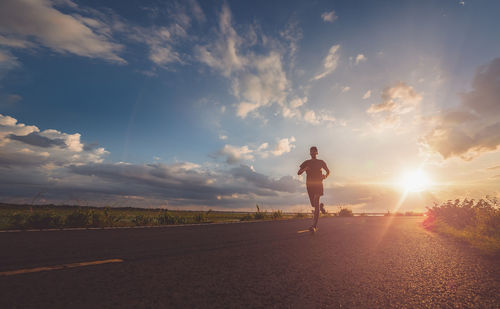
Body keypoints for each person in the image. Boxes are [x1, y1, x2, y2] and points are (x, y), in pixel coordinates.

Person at [297, 146, 330, 233]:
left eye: (314, 152)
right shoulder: (306, 162)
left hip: (318, 184)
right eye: (311, 152)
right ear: (310, 153)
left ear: (317, 152)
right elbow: (298, 173)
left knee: (316, 201)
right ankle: (320, 207)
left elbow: (328, 171)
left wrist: (325, 176)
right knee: (314, 205)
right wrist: (304, 169)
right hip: (309, 185)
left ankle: (314, 226)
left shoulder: (321, 162)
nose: (312, 153)